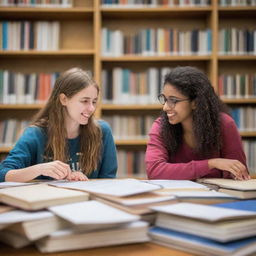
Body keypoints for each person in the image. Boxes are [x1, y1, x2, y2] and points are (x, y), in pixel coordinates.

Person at [0, 68, 117, 182]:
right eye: (84, 101)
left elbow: (108, 181)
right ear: (64, 99)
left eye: (94, 101)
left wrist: (82, 183)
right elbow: (3, 173)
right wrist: (40, 169)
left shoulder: (102, 131)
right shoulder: (36, 134)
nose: (91, 108)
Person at [145, 66, 250, 181]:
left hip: (216, 197)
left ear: (195, 103)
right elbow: (154, 171)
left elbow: (238, 173)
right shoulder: (161, 126)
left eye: (173, 100)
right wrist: (211, 164)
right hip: (175, 196)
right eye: (165, 99)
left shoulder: (225, 125)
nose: (165, 107)